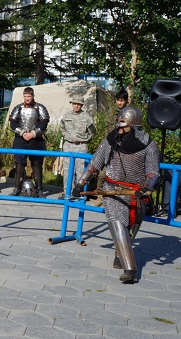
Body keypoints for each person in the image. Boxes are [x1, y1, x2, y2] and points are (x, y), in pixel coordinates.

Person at [72, 106, 158, 284]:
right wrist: (80, 183)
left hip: (136, 192)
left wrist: (146, 187)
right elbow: (95, 163)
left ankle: (120, 253)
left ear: (133, 126)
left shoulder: (148, 145)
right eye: (118, 123)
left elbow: (153, 172)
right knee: (117, 223)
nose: (118, 127)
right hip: (112, 190)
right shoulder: (111, 140)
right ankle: (130, 270)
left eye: (123, 124)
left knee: (130, 227)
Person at [9, 86, 50, 196]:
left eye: (29, 96)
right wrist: (22, 133)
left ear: (33, 96)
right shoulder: (18, 108)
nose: (27, 98)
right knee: (19, 164)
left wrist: (33, 133)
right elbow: (12, 123)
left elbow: (44, 122)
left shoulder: (40, 108)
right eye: (25, 96)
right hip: (20, 140)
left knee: (37, 165)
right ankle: (17, 188)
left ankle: (40, 189)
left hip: (35, 140)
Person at [59, 97, 96, 199]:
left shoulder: (87, 117)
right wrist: (67, 136)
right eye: (75, 104)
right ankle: (67, 193)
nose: (76, 106)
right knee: (67, 170)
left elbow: (92, 132)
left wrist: (85, 140)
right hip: (69, 145)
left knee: (81, 171)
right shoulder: (66, 116)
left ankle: (80, 193)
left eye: (79, 104)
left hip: (81, 145)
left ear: (82, 105)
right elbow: (62, 127)